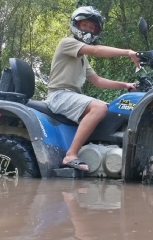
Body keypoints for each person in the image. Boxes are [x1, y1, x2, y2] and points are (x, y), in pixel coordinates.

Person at [46, 6, 140, 172]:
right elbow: (97, 50)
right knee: (99, 107)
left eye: (92, 28)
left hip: (70, 96)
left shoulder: (82, 58)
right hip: (59, 95)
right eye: (85, 25)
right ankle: (71, 155)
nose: (89, 30)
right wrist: (128, 52)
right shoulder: (67, 43)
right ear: (76, 25)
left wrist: (126, 85)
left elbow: (97, 80)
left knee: (111, 110)